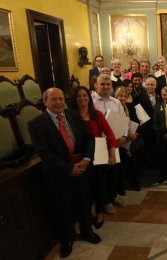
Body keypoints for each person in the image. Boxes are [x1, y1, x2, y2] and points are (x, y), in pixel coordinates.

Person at [29, 88, 100, 258]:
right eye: (54, 99)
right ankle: (68, 239)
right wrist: (69, 169)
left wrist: (87, 159)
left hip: (81, 167)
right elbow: (44, 152)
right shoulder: (36, 123)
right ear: (45, 102)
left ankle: (86, 230)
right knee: (64, 207)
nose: (59, 102)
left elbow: (89, 138)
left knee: (84, 201)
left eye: (61, 98)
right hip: (59, 174)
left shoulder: (73, 115)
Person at [69, 86, 118, 230]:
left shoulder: (96, 115)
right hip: (80, 156)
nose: (82, 98)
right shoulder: (71, 116)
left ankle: (100, 212)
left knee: (99, 185)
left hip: (98, 155)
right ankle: (85, 212)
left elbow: (110, 134)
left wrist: (112, 154)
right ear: (74, 99)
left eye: (85, 95)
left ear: (89, 98)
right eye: (78, 96)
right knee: (84, 188)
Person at [92, 74, 129, 213]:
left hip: (114, 142)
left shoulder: (116, 102)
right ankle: (105, 201)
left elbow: (123, 120)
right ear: (96, 85)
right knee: (102, 174)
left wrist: (124, 135)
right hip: (99, 143)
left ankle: (113, 196)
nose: (106, 87)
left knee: (114, 171)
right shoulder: (91, 101)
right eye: (102, 84)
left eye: (108, 84)